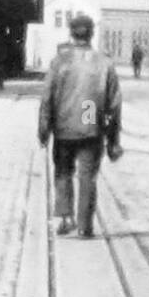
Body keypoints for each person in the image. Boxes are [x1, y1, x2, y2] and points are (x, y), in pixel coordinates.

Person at [38, 15, 122, 238]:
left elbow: (46, 97)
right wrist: (114, 141)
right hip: (92, 129)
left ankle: (65, 218)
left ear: (71, 33)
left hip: (64, 128)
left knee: (63, 172)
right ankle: (85, 225)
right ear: (92, 34)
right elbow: (114, 105)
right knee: (88, 177)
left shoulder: (59, 61)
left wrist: (43, 129)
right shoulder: (105, 63)